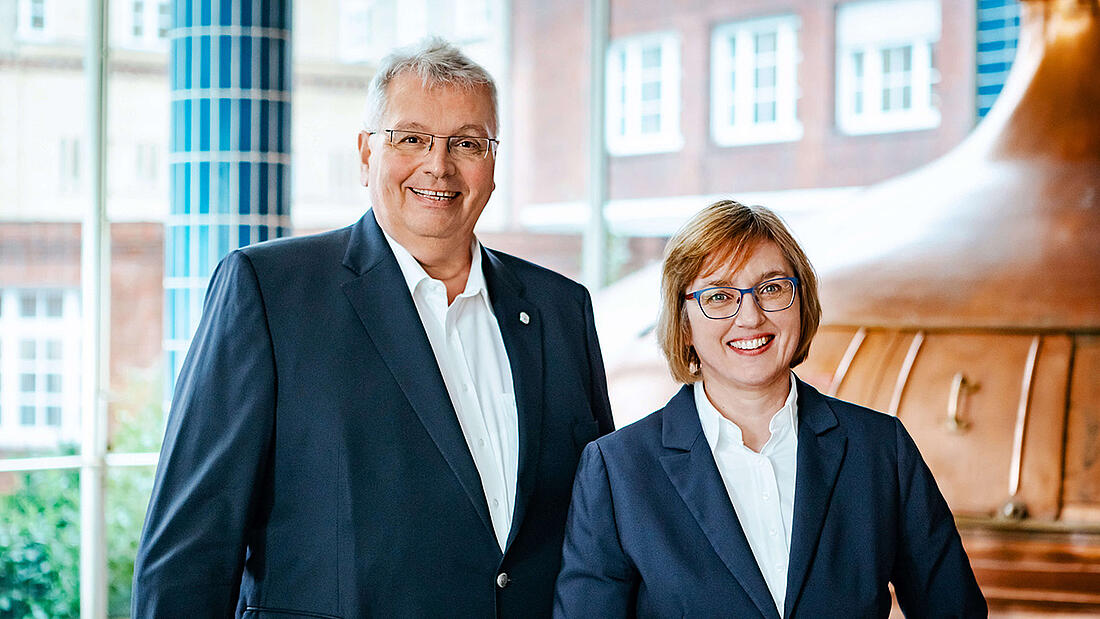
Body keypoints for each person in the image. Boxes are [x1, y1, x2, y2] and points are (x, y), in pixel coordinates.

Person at [133, 38, 613, 618]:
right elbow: (190, 549)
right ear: (366, 154)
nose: (439, 165)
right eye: (411, 138)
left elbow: (597, 534)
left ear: (492, 164)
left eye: (467, 142)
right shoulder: (269, 292)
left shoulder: (562, 310)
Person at [553, 200, 986, 618]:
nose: (751, 317)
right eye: (720, 296)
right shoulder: (618, 471)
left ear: (802, 302)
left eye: (772, 288)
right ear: (684, 323)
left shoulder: (879, 450)